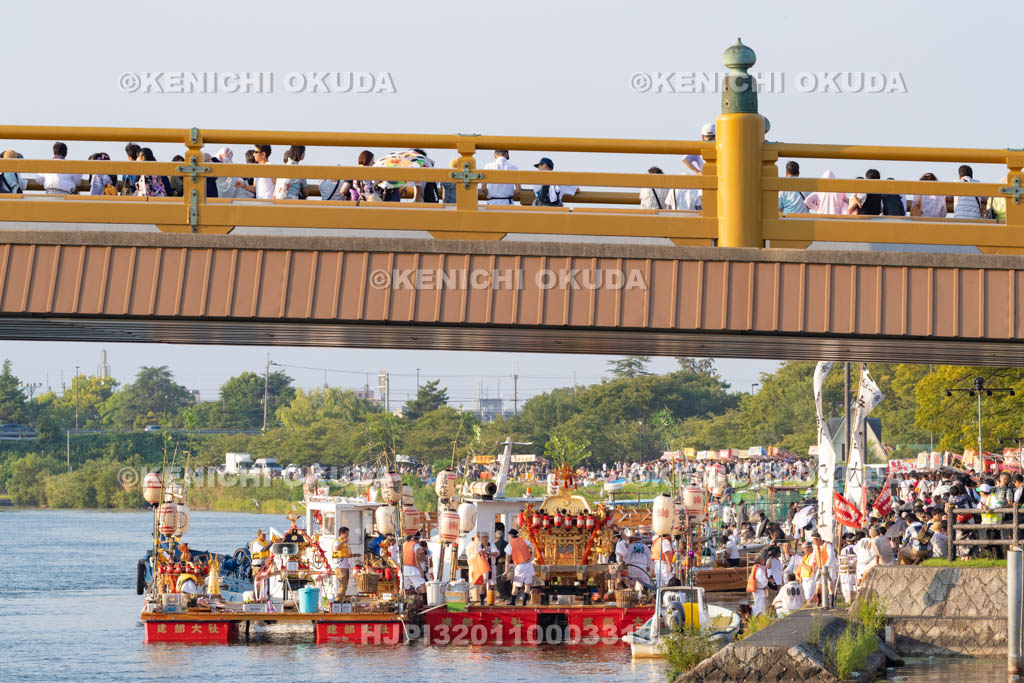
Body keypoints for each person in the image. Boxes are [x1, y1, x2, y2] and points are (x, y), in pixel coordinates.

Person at [504, 528, 535, 605]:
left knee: (516, 585)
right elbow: (533, 547)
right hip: (528, 565)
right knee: (527, 585)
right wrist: (532, 557)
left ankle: (513, 602)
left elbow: (507, 560)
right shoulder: (524, 541)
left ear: (511, 536)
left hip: (519, 566)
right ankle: (524, 602)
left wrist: (506, 571)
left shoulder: (509, 545)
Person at [809, 533, 837, 608]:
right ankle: (819, 601)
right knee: (818, 588)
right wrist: (812, 567)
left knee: (830, 586)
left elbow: (830, 556)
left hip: (829, 569)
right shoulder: (816, 547)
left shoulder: (828, 546)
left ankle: (831, 603)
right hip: (820, 569)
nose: (813, 542)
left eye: (813, 540)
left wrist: (826, 567)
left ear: (818, 539)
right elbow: (813, 558)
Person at [331, 526, 353, 599]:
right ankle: (337, 601)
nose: (348, 535)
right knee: (343, 586)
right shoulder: (337, 541)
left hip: (345, 567)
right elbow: (336, 548)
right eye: (346, 533)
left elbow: (346, 555)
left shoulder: (344, 543)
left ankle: (341, 600)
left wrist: (355, 555)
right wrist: (343, 541)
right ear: (341, 533)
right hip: (340, 567)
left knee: (345, 586)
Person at [837, 535, 858, 603]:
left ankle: (848, 599)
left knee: (846, 584)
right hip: (855, 570)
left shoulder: (843, 550)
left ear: (846, 540)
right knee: (854, 584)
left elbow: (841, 561)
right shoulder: (857, 548)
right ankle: (853, 599)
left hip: (845, 571)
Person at [250, 529, 270, 598]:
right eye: (263, 534)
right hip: (257, 567)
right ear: (258, 535)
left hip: (263, 567)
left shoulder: (266, 542)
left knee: (264, 583)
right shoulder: (256, 543)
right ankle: (257, 598)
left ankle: (264, 597)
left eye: (265, 535)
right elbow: (263, 549)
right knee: (258, 583)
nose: (265, 536)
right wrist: (272, 543)